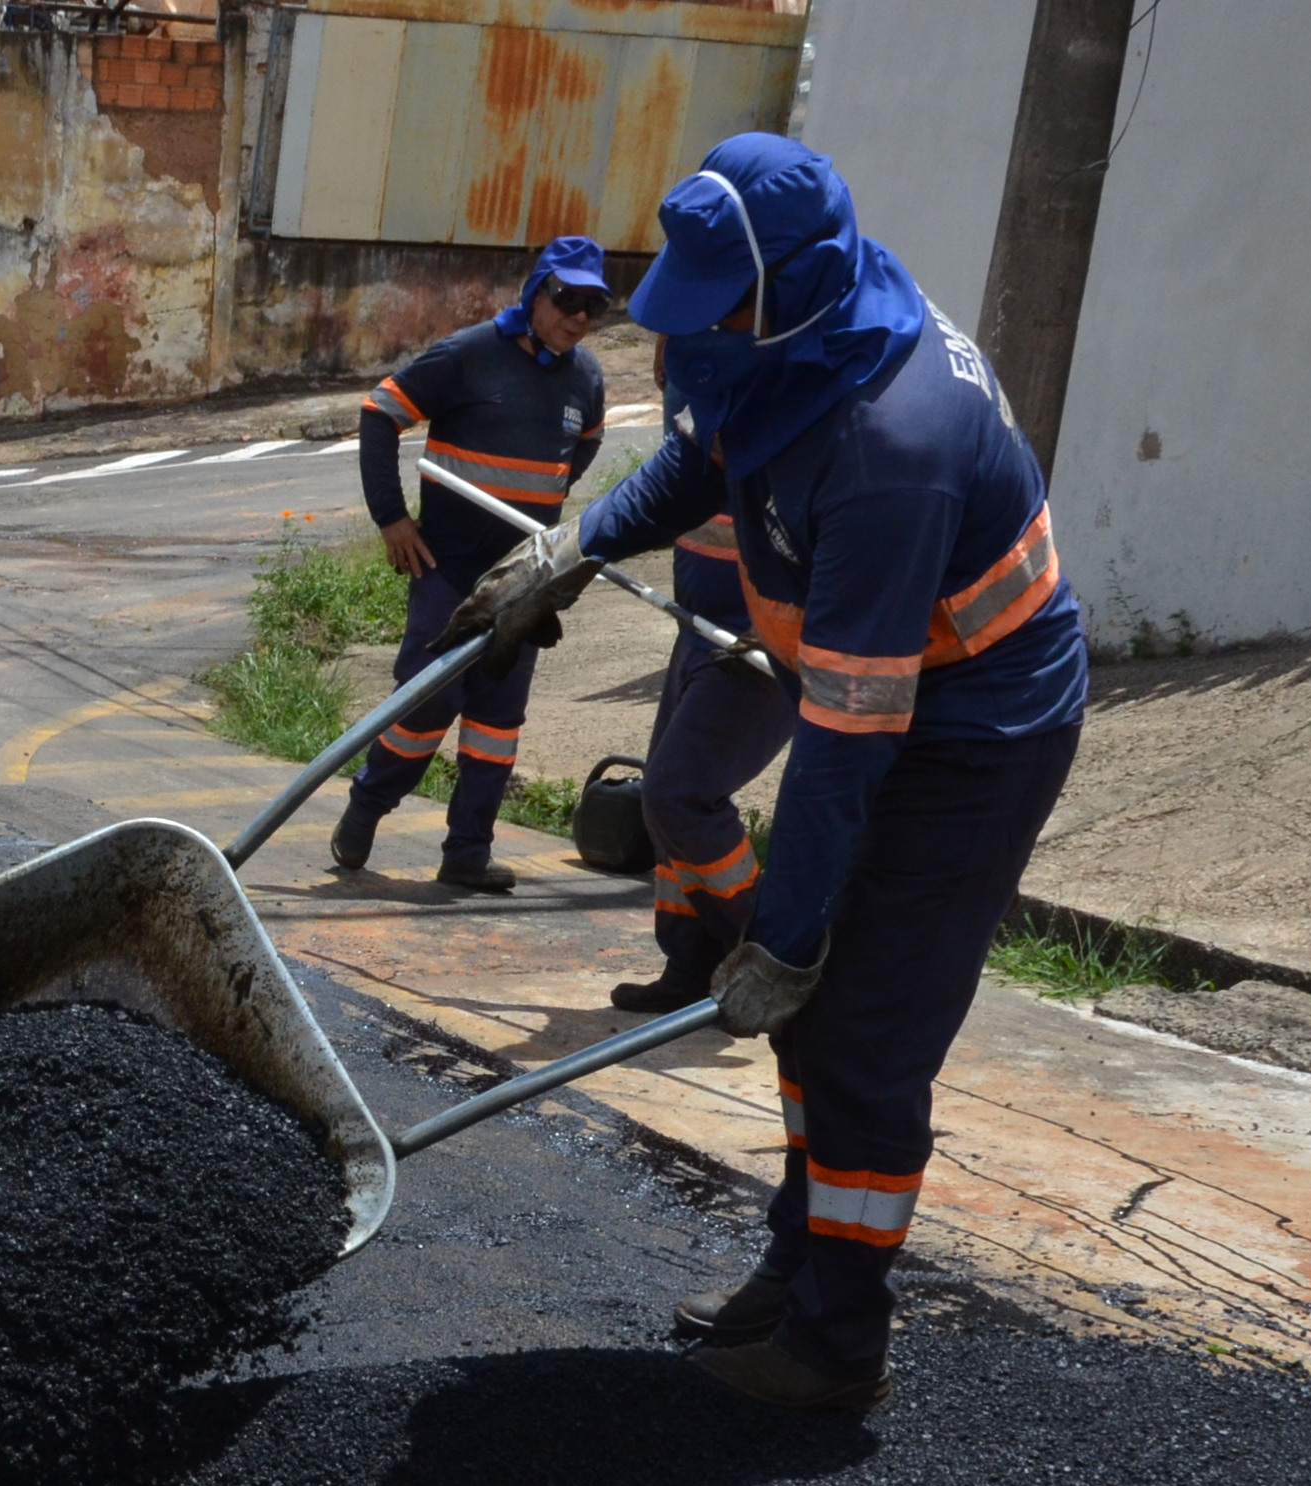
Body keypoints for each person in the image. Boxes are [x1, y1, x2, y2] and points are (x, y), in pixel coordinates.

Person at [449, 134, 1089, 1412]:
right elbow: (703, 453)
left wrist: (783, 940)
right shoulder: (787, 335)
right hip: (880, 700)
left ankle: (838, 1345)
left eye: (715, 308)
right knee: (817, 1023)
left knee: (858, 1032)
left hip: (975, 734)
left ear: (792, 283)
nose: (693, 335)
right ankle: (799, 1271)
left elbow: (849, 745)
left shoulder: (890, 447)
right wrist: (571, 550)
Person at [333, 234, 616, 895]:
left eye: (591, 306)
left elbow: (590, 441)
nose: (577, 315)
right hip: (451, 570)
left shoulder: (588, 377)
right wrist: (392, 518)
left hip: (527, 580)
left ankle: (468, 853)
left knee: (495, 725)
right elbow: (380, 414)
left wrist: (543, 495)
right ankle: (368, 806)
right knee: (424, 710)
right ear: (536, 292)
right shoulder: (469, 356)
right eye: (566, 298)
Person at [606, 366, 794, 1013]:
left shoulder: (790, 412)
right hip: (699, 630)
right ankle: (690, 964)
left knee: (678, 793)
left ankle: (772, 953)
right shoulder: (693, 401)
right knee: (666, 806)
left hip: (759, 641)